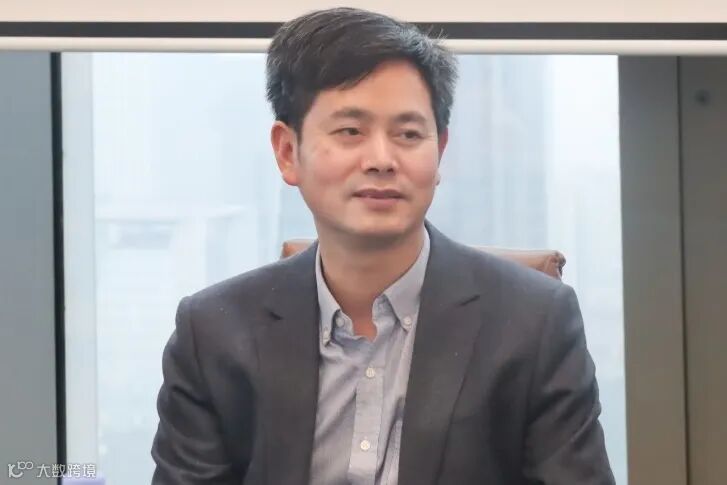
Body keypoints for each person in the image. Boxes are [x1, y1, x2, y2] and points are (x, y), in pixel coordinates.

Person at [151, 7, 615, 485]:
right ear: (288, 152)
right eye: (350, 131)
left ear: (440, 151)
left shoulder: (533, 324)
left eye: (408, 134)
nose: (381, 159)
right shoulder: (214, 334)